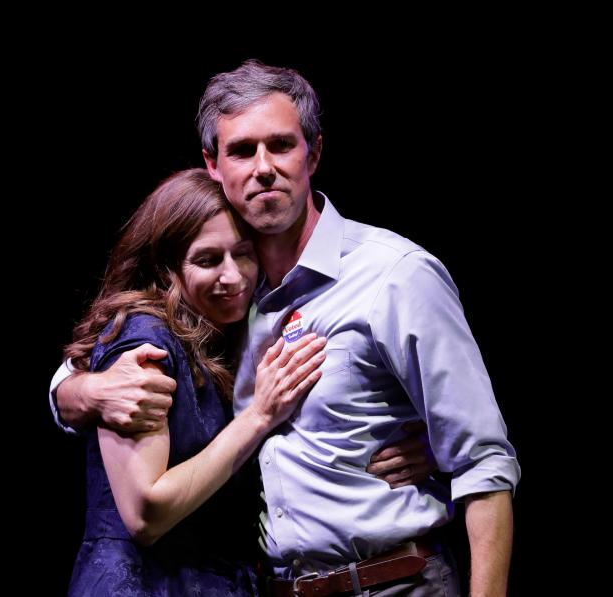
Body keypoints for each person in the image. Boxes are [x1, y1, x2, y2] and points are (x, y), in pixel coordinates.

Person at [55, 60, 520, 596]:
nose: (263, 167)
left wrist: (437, 454)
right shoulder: (228, 298)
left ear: (314, 153)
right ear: (213, 163)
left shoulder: (395, 276)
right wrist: (78, 390)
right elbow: (104, 349)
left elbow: (483, 462)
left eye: (281, 145)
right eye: (241, 150)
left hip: (394, 581)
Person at [64, 168, 328, 596]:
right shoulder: (145, 342)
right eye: (207, 260)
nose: (234, 276)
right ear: (165, 267)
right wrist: (259, 415)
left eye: (243, 253)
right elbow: (145, 515)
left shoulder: (219, 333)